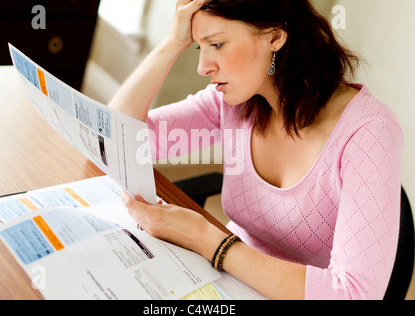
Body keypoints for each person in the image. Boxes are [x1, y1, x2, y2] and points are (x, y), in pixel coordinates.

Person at [109, 0, 403, 300]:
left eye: (218, 44)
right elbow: (117, 142)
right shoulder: (236, 102)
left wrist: (207, 239)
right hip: (224, 280)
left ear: (275, 37)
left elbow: (354, 294)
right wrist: (172, 42)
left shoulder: (369, 133)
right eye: (200, 47)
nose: (203, 67)